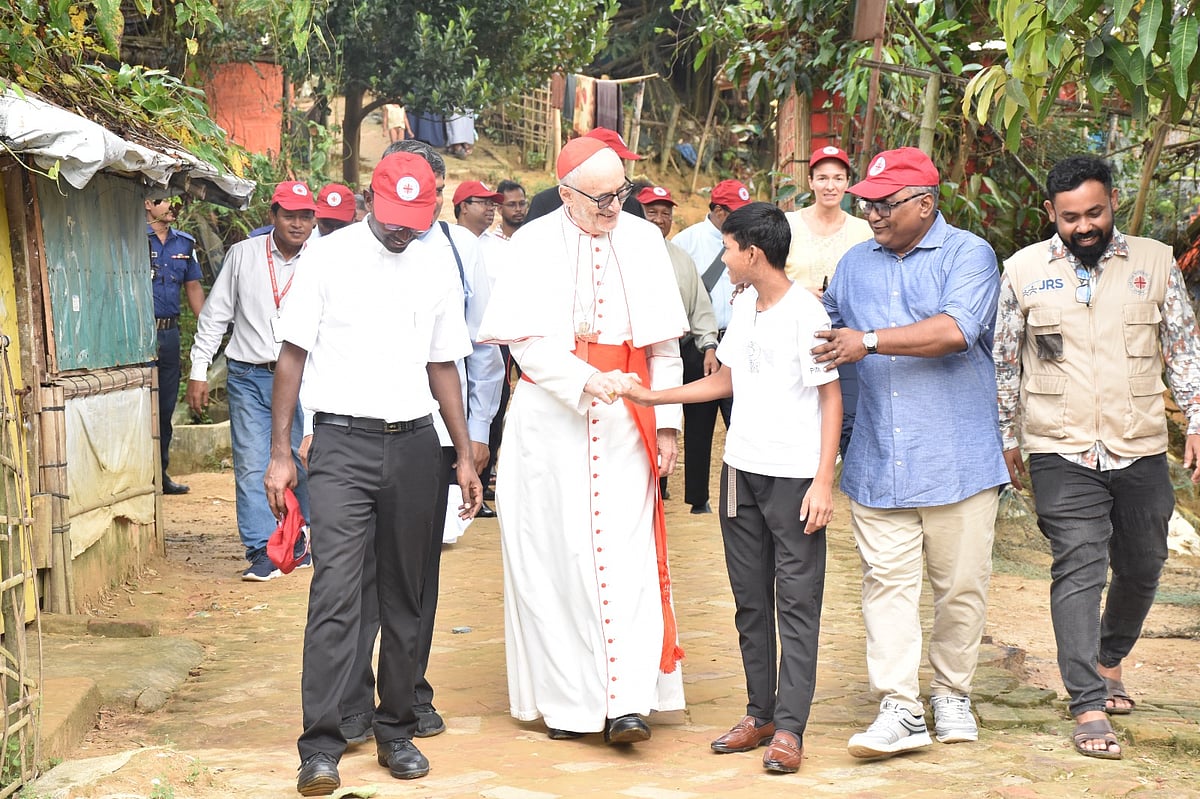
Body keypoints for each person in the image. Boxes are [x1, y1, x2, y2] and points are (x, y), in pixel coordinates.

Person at [264, 152, 482, 796]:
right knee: (335, 592)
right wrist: (280, 452)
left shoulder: (435, 263)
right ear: (367, 201)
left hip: (415, 446)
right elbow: (291, 357)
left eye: (414, 220)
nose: (401, 230)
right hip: (340, 446)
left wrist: (463, 452)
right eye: (391, 218)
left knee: (405, 595)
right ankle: (321, 745)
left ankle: (396, 730)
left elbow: (443, 365)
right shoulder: (327, 259)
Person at [476, 137, 688, 743]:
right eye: (599, 198)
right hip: (551, 422)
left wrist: (667, 425)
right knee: (555, 561)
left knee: (627, 558)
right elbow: (525, 344)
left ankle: (629, 702)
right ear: (566, 194)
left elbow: (665, 348)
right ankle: (569, 704)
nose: (613, 207)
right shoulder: (532, 242)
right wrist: (584, 378)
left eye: (620, 193)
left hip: (626, 421)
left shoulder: (643, 240)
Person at [994, 154, 1200, 760]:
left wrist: (1197, 417)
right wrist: (1007, 435)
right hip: (1059, 445)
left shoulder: (1156, 263)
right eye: (1070, 218)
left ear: (1113, 202)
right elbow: (1005, 359)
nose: (1084, 226)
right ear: (1051, 213)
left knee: (1143, 563)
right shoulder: (1023, 271)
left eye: (1094, 213)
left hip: (1138, 443)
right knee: (1079, 564)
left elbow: (1183, 349)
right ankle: (1087, 703)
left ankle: (1109, 660)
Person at [624, 202, 841, 773]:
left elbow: (831, 398)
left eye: (727, 247)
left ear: (754, 253)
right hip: (740, 473)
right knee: (750, 600)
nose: (722, 257)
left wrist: (823, 481)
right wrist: (653, 397)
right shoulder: (743, 305)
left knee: (796, 603)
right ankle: (759, 713)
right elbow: (725, 380)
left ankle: (790, 728)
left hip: (794, 478)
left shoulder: (807, 313)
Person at [814, 146, 1008, 758]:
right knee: (886, 587)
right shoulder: (854, 264)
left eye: (885, 203)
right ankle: (899, 707)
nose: (872, 213)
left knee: (960, 588)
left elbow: (956, 331)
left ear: (925, 203)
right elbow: (825, 334)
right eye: (867, 203)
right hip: (877, 456)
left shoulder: (968, 254)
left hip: (956, 458)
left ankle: (952, 692)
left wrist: (868, 341)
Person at [335, 137, 503, 746]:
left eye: (430, 194)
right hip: (358, 433)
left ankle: (409, 694)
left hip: (433, 435)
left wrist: (474, 434)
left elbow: (480, 347)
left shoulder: (461, 252)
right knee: (356, 574)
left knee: (415, 576)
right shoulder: (348, 252)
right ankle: (353, 700)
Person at [187, 181, 316, 581]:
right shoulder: (243, 255)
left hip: (306, 378)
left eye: (305, 216)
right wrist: (198, 370)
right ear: (272, 215)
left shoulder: (324, 259)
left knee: (305, 457)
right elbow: (215, 316)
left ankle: (303, 539)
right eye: (289, 215)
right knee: (252, 463)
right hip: (249, 375)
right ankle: (262, 549)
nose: (298, 224)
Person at [670, 178, 752, 513]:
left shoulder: (750, 240)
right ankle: (697, 498)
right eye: (734, 212)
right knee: (698, 420)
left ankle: (744, 492)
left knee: (741, 417)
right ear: (718, 211)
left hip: (738, 337)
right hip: (697, 340)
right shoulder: (686, 241)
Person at [785, 145, 873, 455]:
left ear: (848, 182)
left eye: (838, 178)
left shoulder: (864, 230)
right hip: (793, 333)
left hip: (844, 336)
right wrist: (798, 291)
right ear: (810, 181)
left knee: (848, 417)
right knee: (797, 414)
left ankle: (845, 476)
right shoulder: (787, 225)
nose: (830, 186)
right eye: (822, 178)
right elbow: (769, 273)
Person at [636, 184, 720, 501]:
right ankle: (648, 488)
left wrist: (709, 345)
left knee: (679, 416)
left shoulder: (681, 259)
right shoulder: (622, 254)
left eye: (665, 213)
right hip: (637, 353)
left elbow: (700, 306)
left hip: (681, 348)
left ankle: (674, 489)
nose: (660, 219)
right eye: (651, 212)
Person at [146, 192, 206, 495]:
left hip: (169, 335)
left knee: (166, 405)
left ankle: (161, 473)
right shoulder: (133, 239)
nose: (175, 206)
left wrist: (208, 328)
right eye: (166, 200)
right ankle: (140, 475)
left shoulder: (185, 243)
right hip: (139, 334)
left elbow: (193, 287)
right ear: (148, 204)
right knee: (140, 405)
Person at [524, 128, 646, 222]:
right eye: (617, 160)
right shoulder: (545, 203)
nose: (615, 206)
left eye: (622, 162)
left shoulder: (632, 205)